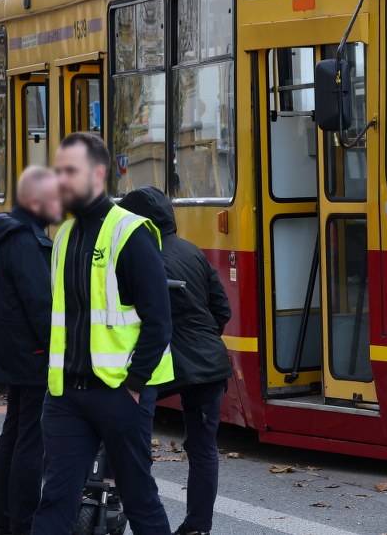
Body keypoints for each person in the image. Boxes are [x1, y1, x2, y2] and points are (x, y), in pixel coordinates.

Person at [30, 132, 174, 535]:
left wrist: (135, 383)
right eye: (58, 172)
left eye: (70, 172)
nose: (61, 180)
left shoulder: (129, 232)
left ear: (98, 173)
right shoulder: (63, 237)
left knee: (139, 498)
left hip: (119, 393)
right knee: (56, 500)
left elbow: (159, 319)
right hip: (65, 398)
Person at [119, 186, 232, 535]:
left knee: (130, 440)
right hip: (210, 364)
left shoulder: (137, 255)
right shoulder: (193, 252)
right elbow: (222, 311)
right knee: (202, 446)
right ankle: (198, 526)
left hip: (161, 364)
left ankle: (130, 514)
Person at [0, 166, 63, 535]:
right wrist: (59, 351)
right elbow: (40, 305)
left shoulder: (8, 234)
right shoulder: (27, 240)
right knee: (32, 439)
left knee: (13, 434)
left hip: (11, 350)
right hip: (31, 353)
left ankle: (4, 520)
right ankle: (23, 522)